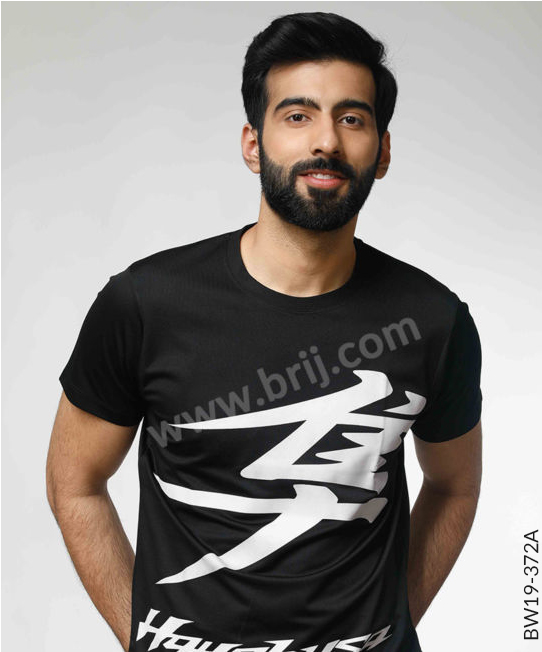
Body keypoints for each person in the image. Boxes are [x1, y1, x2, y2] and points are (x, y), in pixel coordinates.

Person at [46, 11, 483, 652]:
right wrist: (141, 637)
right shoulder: (143, 304)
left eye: (352, 118)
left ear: (383, 151)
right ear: (253, 144)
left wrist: (394, 623)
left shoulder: (435, 321)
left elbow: (455, 486)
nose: (326, 141)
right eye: (298, 115)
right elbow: (74, 483)